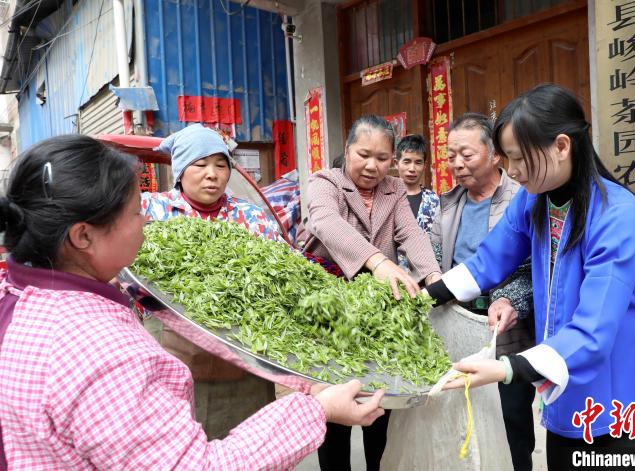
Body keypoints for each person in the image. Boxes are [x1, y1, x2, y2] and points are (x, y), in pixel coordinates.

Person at [0, 134, 385, 469]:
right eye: (135, 213)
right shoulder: (101, 351)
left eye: (220, 164)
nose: (145, 223)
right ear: (83, 236)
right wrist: (318, 409)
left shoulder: (16, 295)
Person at [427, 85, 635, 469]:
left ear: (562, 146)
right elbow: (489, 260)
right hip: (567, 377)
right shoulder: (534, 198)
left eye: (519, 158)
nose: (512, 171)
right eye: (508, 158)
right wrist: (423, 299)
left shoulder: (619, 217)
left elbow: (594, 331)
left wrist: (505, 368)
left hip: (629, 391)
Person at [305, 115, 441, 471]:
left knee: (379, 407)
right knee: (335, 412)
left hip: (377, 317)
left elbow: (410, 233)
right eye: (363, 155)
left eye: (382, 158)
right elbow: (327, 223)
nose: (372, 166)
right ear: (348, 150)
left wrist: (434, 276)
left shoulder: (393, 189)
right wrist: (378, 261)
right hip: (331, 315)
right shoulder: (325, 182)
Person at [140, 124, 284, 438]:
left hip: (242, 349)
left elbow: (284, 270)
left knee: (246, 439)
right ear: (180, 171)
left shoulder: (251, 216)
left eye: (221, 165)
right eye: (200, 164)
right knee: (177, 436)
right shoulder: (150, 209)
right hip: (171, 346)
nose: (212, 174)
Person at [431, 112, 536, 471]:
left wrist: (509, 299)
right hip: (458, 326)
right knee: (463, 422)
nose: (457, 164)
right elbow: (434, 260)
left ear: (493, 155)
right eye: (450, 156)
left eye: (466, 154)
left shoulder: (522, 199)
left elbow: (535, 270)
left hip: (505, 329)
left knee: (510, 423)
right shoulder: (447, 205)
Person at [394, 134, 441, 268]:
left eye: (418, 162)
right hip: (390, 273)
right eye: (407, 161)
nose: (412, 169)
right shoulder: (387, 197)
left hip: (426, 271)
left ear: (425, 165)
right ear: (396, 163)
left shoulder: (433, 201)